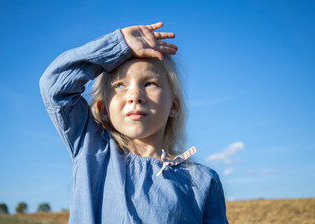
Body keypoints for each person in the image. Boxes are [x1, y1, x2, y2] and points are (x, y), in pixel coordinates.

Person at [39, 22, 229, 223]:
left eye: (150, 83)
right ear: (103, 109)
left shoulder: (201, 181)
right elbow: (55, 87)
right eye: (120, 85)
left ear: (174, 106)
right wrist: (118, 45)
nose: (135, 96)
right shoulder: (93, 149)